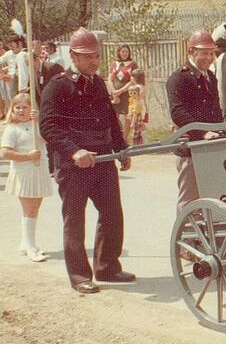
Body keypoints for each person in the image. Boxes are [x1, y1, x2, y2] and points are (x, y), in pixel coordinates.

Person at [40, 27, 135, 295]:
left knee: (112, 214)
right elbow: (48, 126)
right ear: (73, 56)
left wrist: (122, 149)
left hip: (103, 159)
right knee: (75, 219)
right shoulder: (58, 85)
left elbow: (109, 120)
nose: (94, 61)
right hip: (74, 165)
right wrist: (73, 151)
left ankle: (108, 267)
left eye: (96, 55)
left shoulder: (99, 83)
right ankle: (80, 275)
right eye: (87, 56)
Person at [166, 30, 223, 213]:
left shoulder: (210, 78)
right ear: (192, 51)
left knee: (212, 197)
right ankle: (184, 238)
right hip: (189, 150)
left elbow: (215, 110)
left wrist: (221, 131)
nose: (209, 57)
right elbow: (178, 113)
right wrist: (202, 133)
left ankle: (205, 238)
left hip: (209, 147)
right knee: (189, 201)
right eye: (204, 52)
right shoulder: (179, 78)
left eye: (211, 53)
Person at [1, 92, 53, 262]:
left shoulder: (36, 125)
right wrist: (28, 156)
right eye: (18, 107)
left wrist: (40, 120)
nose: (21, 110)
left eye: (25, 107)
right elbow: (5, 153)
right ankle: (30, 246)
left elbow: (48, 138)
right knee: (29, 209)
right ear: (12, 109)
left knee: (34, 208)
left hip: (40, 169)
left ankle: (26, 243)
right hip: (24, 172)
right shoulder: (11, 128)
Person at [109, 44, 138, 140]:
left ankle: (124, 139)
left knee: (128, 117)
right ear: (119, 52)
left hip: (128, 94)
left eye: (127, 51)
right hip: (115, 94)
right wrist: (114, 92)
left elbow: (133, 80)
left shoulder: (133, 64)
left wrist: (121, 90)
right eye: (123, 51)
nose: (125, 53)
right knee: (113, 116)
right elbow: (110, 78)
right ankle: (116, 138)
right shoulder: (114, 63)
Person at [125, 68, 148, 146]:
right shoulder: (142, 86)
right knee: (139, 126)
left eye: (132, 76)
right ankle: (139, 142)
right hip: (141, 107)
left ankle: (135, 143)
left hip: (137, 108)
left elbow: (137, 99)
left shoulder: (137, 87)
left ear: (135, 78)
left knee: (135, 125)